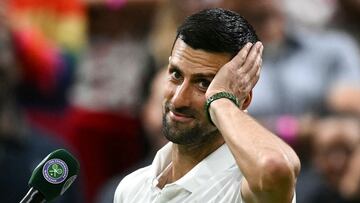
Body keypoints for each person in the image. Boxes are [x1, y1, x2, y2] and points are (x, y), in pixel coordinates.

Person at [114, 8, 300, 203]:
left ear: (243, 99)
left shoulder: (244, 188)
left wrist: (220, 99)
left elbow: (275, 168)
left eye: (204, 83)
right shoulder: (130, 189)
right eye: (176, 75)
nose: (178, 100)